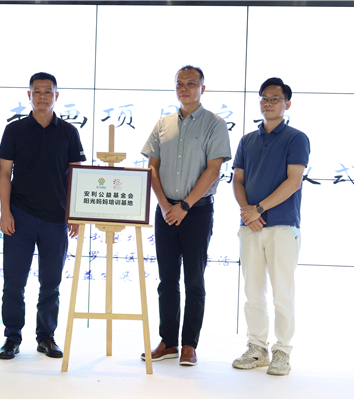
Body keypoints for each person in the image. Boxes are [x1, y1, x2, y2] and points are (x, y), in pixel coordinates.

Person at [140, 65, 231, 366]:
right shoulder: (163, 124)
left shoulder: (214, 124)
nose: (184, 88)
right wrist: (165, 205)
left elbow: (213, 170)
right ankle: (168, 342)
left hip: (197, 212)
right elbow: (152, 167)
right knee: (166, 280)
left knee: (193, 279)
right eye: (180, 83)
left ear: (202, 89)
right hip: (165, 212)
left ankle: (189, 344)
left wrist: (185, 206)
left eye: (191, 83)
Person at [0, 72, 86, 360]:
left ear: (56, 96)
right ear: (29, 95)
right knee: (14, 282)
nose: (43, 96)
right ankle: (12, 338)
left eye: (48, 91)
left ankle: (46, 337)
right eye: (37, 91)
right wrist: (5, 212)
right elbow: (4, 174)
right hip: (19, 216)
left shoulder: (69, 132)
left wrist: (75, 214)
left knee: (51, 283)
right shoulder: (14, 130)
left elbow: (76, 176)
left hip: (56, 219)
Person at [231, 77, 310, 376]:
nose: (268, 103)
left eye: (275, 98)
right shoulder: (247, 140)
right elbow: (238, 180)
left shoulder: (296, 138)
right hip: (250, 227)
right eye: (264, 98)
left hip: (282, 227)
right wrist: (247, 213)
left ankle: (282, 351)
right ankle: (257, 348)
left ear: (287, 103)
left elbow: (294, 181)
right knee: (252, 293)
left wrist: (259, 209)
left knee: (282, 294)